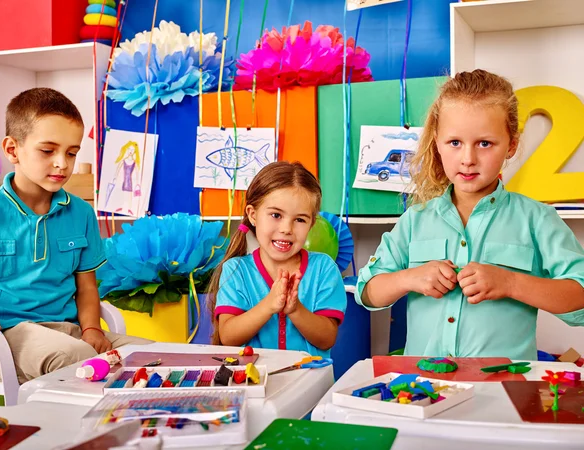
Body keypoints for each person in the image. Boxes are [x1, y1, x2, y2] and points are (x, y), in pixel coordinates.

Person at [356, 70, 584, 360]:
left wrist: (511, 283)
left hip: (506, 392)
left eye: (485, 143)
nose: (468, 159)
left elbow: (580, 297)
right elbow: (367, 292)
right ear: (437, 142)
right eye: (455, 143)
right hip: (424, 389)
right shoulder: (415, 220)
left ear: (511, 145)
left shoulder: (537, 219)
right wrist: (410, 278)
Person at [0, 88, 151, 384]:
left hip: (67, 329)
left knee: (153, 355)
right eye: (48, 151)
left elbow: (86, 287)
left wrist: (92, 330)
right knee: (76, 359)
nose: (62, 163)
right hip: (7, 334)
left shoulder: (81, 214)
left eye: (71, 152)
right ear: (12, 150)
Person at [207, 161, 346, 358]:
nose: (286, 229)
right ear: (253, 215)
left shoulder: (323, 268)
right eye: (276, 215)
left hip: (311, 385)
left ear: (311, 224)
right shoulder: (236, 269)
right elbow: (228, 337)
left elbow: (327, 339)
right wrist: (269, 304)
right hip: (254, 383)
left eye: (300, 220)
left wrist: (295, 309)